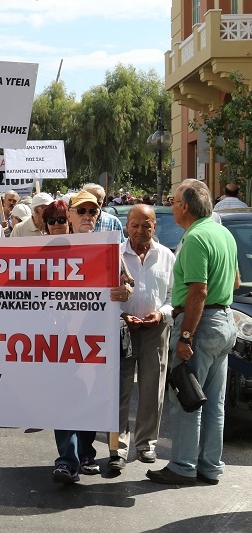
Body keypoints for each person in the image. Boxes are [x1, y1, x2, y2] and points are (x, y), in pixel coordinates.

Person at [146, 181, 238, 486]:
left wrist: (186, 336)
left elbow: (199, 291)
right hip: (223, 321)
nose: (171, 206)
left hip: (200, 324)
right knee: (212, 402)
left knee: (186, 397)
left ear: (185, 207)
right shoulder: (223, 234)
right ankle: (210, 466)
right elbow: (235, 281)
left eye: (174, 201)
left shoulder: (196, 237)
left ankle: (183, 466)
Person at [106, 204, 175, 472]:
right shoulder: (113, 255)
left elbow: (173, 296)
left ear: (154, 227)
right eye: (134, 225)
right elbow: (102, 295)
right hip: (121, 328)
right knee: (118, 390)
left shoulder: (166, 256)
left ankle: (146, 444)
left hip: (155, 329)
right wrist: (121, 316)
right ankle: (117, 448)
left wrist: (161, 313)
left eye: (146, 225)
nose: (140, 231)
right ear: (126, 227)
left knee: (152, 388)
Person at [52, 190, 111, 483]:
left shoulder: (108, 248)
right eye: (82, 211)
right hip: (61, 337)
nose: (88, 217)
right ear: (70, 215)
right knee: (64, 395)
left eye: (93, 211)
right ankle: (66, 460)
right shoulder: (55, 249)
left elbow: (125, 284)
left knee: (90, 394)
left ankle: (87, 453)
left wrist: (124, 289)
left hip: (95, 336)